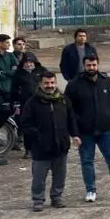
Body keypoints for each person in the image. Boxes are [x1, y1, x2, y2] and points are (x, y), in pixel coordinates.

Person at [65, 55, 110, 203]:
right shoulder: (74, 84)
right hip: (85, 132)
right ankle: (90, 191)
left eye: (94, 65)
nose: (91, 68)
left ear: (98, 65)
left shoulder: (107, 82)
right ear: (84, 66)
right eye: (88, 65)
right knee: (87, 161)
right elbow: (68, 109)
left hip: (105, 130)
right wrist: (74, 130)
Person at [22, 68, 78, 211]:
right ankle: (38, 200)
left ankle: (56, 197)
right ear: (40, 84)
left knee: (60, 175)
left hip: (61, 145)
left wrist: (75, 135)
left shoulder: (63, 100)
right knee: (39, 177)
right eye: (46, 83)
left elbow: (71, 119)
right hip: (41, 148)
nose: (50, 85)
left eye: (52, 82)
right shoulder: (32, 102)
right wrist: (38, 136)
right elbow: (25, 124)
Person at [0, 33, 17, 99]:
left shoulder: (11, 55)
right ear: (0, 44)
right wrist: (9, 73)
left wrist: (2, 72)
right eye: (7, 42)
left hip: (12, 88)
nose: (9, 44)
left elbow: (16, 71)